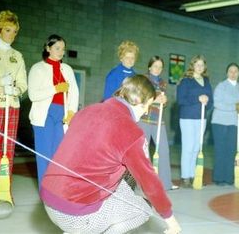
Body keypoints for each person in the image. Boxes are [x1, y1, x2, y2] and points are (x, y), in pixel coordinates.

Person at [40, 75, 182, 234]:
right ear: (141, 102)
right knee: (144, 209)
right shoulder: (131, 131)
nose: (146, 111)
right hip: (76, 214)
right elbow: (149, 182)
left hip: (48, 201)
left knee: (125, 182)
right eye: (147, 106)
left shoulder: (87, 110)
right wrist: (171, 221)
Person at [0, 10, 27, 202]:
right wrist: (0, 82)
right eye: (8, 30)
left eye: (14, 31)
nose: (11, 34)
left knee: (7, 152)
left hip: (12, 107)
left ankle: (3, 193)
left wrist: (15, 90)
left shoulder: (17, 56)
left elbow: (23, 84)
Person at [28, 34, 79, 188]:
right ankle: (45, 190)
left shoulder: (68, 69)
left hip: (62, 114)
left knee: (59, 155)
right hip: (44, 114)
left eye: (63, 49)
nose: (61, 52)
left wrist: (71, 112)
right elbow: (33, 95)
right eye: (57, 48)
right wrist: (55, 88)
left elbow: (74, 92)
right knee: (44, 154)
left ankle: (56, 189)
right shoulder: (37, 68)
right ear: (48, 48)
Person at [139, 56, 178, 190]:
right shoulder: (143, 79)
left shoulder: (163, 83)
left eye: (160, 67)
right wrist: (156, 100)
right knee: (143, 152)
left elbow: (163, 104)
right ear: (150, 67)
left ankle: (165, 183)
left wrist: (164, 101)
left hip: (158, 120)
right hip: (144, 119)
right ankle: (143, 183)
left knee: (164, 150)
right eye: (155, 66)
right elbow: (140, 99)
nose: (158, 69)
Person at [176, 55, 213, 188]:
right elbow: (181, 100)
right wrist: (198, 98)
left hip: (201, 118)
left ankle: (193, 176)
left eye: (202, 65)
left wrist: (207, 102)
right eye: (197, 64)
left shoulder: (206, 81)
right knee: (188, 147)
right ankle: (185, 177)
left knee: (197, 148)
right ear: (192, 66)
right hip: (187, 118)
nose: (200, 67)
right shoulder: (186, 81)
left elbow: (211, 102)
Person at [211, 63, 239, 186]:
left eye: (236, 71)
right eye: (231, 71)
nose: (233, 73)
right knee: (220, 149)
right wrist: (234, 107)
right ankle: (219, 178)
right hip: (220, 122)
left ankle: (229, 177)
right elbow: (217, 103)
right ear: (227, 73)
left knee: (231, 150)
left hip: (233, 123)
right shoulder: (221, 86)